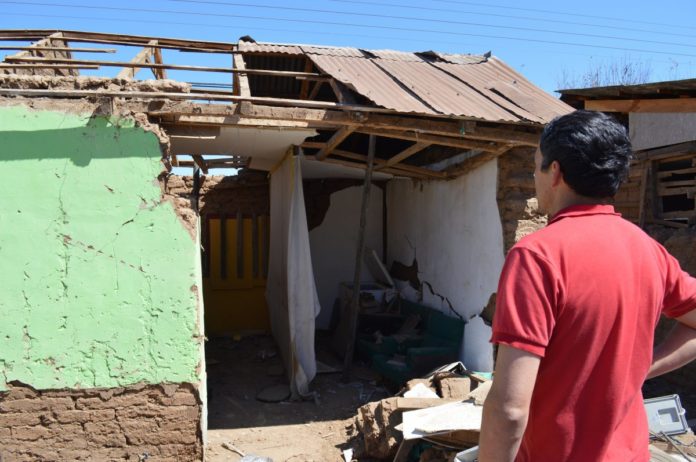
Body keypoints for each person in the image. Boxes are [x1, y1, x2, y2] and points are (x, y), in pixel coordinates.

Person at [478, 110, 696, 462]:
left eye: (537, 166)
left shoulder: (537, 255)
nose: (534, 178)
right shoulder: (648, 249)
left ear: (556, 173)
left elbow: (509, 408)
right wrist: (642, 367)